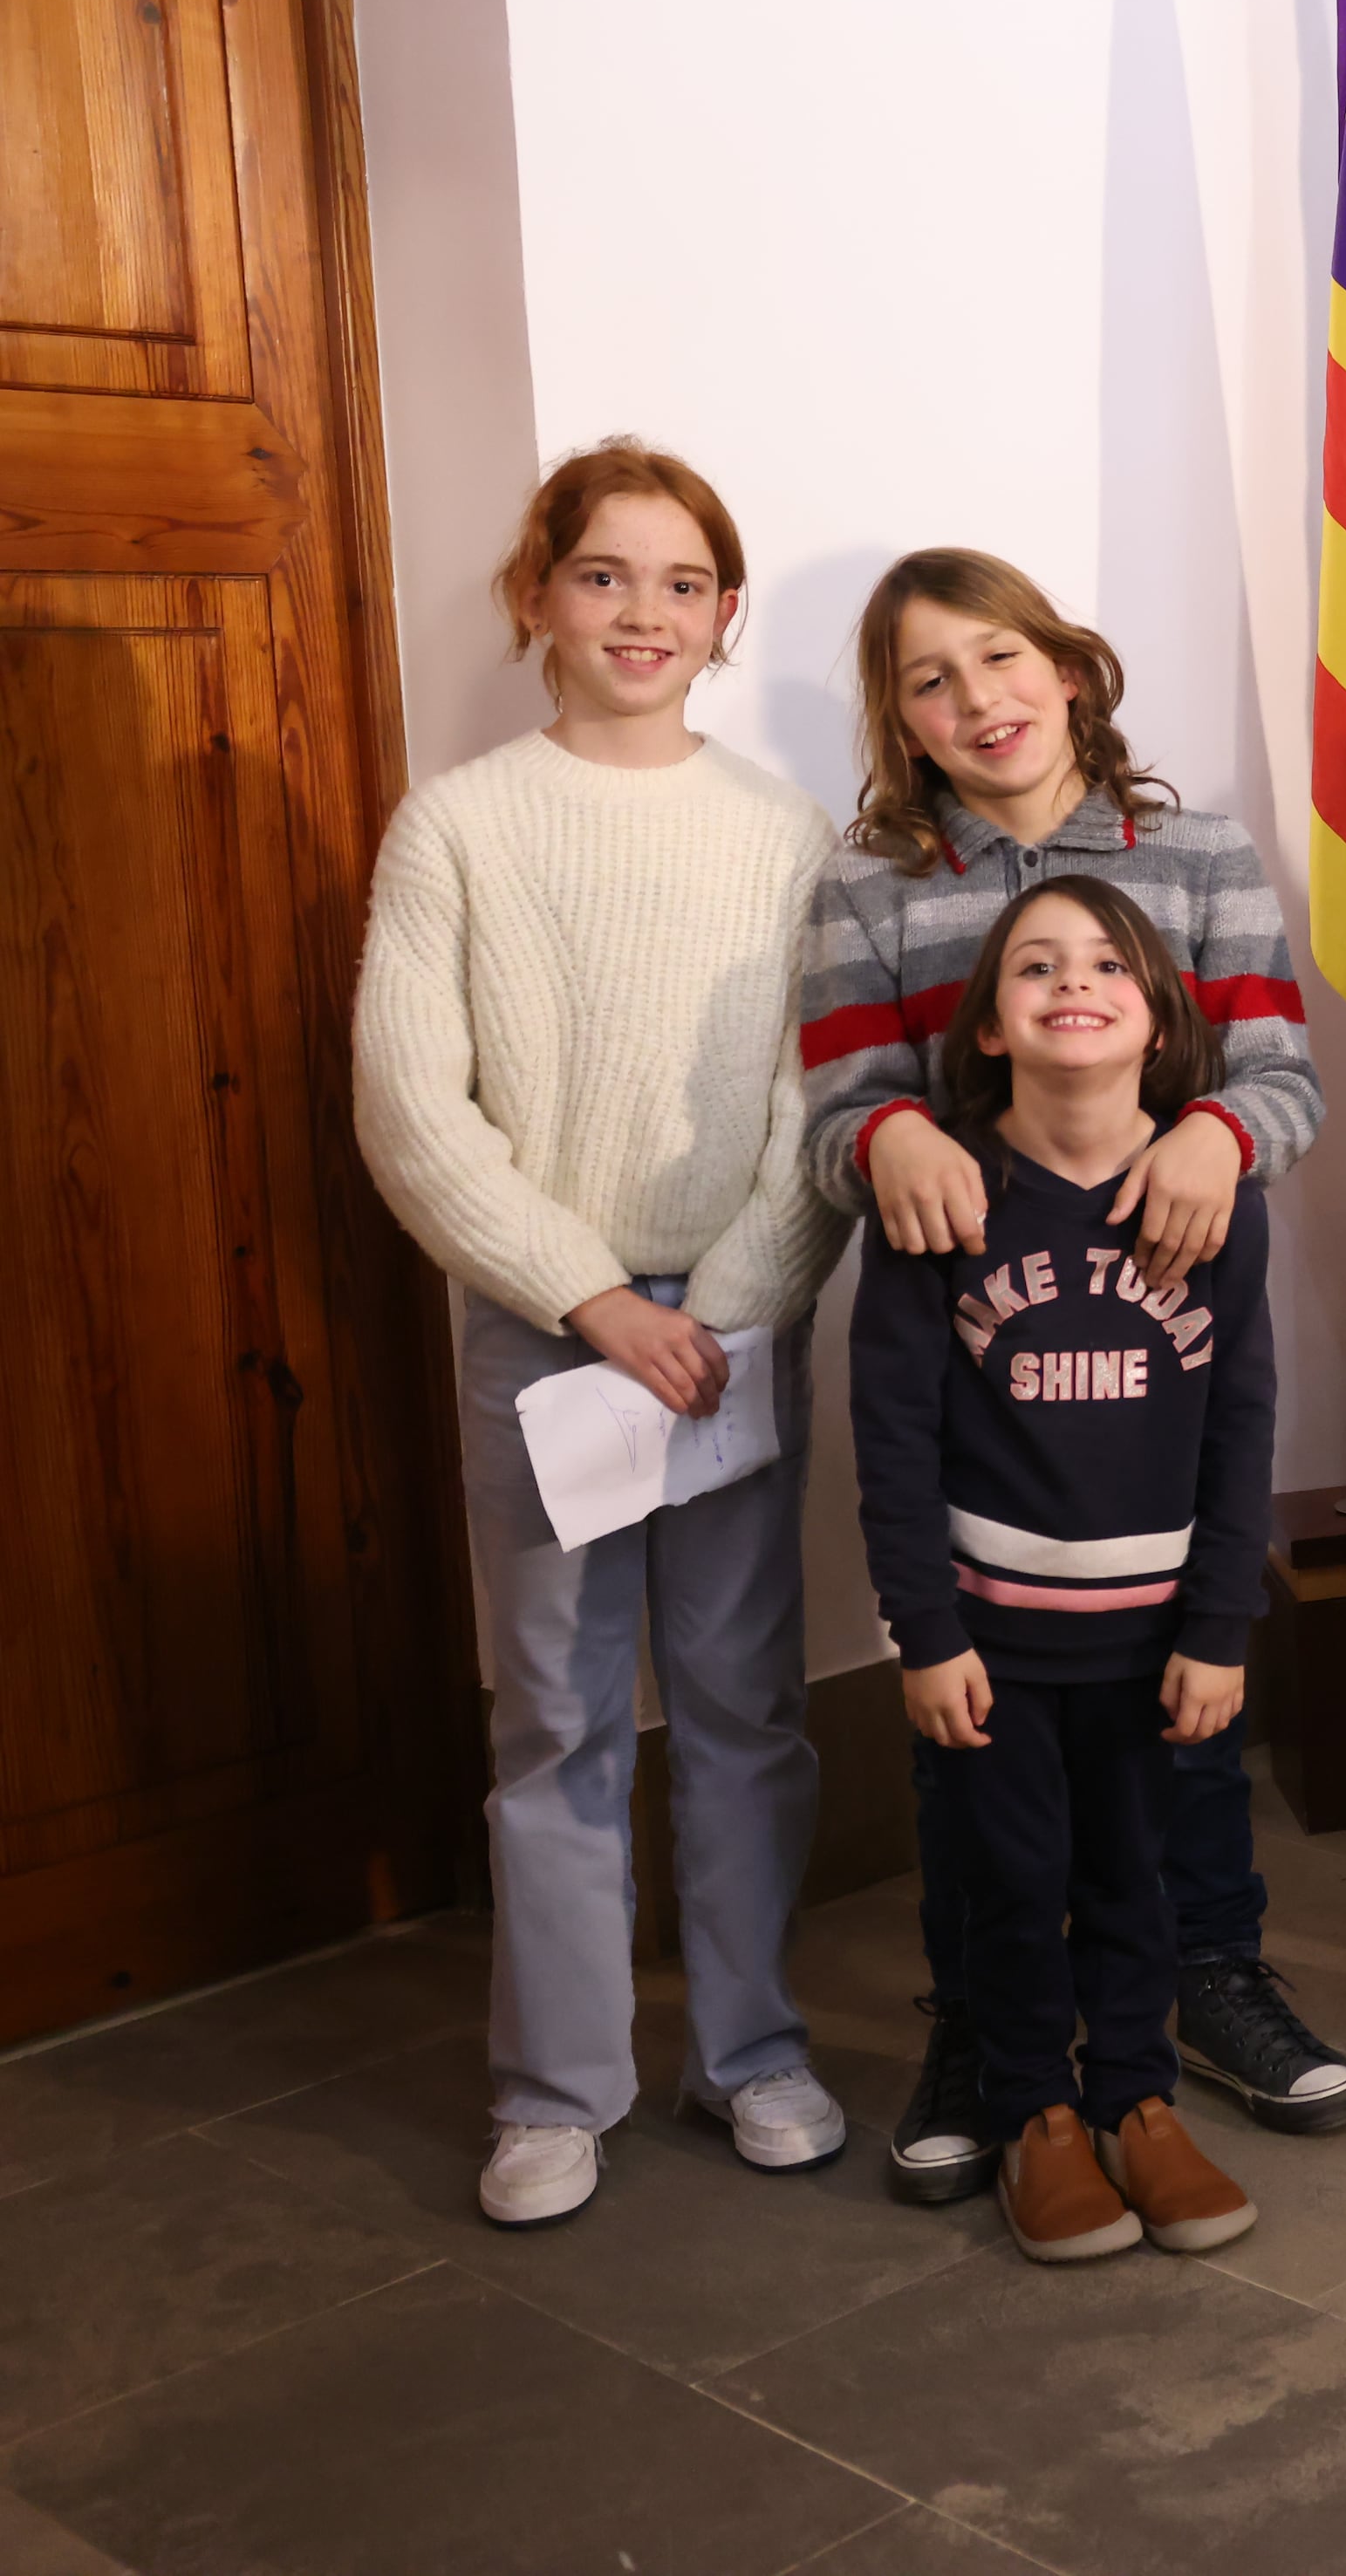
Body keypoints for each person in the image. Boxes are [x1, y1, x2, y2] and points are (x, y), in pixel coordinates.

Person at [797, 549, 1346, 2198]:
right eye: (927, 681)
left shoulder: (1192, 855)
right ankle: (985, 2024)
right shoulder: (870, 884)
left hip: (1158, 1348)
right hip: (988, 1370)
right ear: (899, 722)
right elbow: (841, 1113)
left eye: (999, 658)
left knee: (1171, 1742)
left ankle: (1205, 1978)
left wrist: (1215, 1130)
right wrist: (891, 1129)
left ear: (1068, 664)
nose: (976, 700)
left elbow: (1282, 1080)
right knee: (982, 1754)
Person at [354, 441, 849, 2232]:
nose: (643, 610)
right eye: (605, 575)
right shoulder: (462, 824)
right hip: (551, 1329)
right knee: (555, 1709)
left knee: (740, 1700)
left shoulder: (786, 830)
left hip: (728, 1321)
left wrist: (719, 1299)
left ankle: (753, 2045)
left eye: (682, 581)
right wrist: (592, 1297)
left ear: (721, 617)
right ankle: (557, 2083)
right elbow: (414, 1105)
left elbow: (826, 1093)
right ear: (537, 595)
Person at [850, 875, 1274, 2266]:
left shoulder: (1213, 1200)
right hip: (995, 1642)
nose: (1072, 980)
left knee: (1140, 1876)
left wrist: (1222, 1626)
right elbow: (895, 1434)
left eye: (1106, 961)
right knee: (1014, 1882)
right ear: (987, 1026)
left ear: (1158, 1020)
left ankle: (1138, 2098)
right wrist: (922, 1630)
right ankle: (1037, 2112)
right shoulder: (947, 1199)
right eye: (1034, 964)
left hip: (1153, 1642)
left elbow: (1242, 1424)